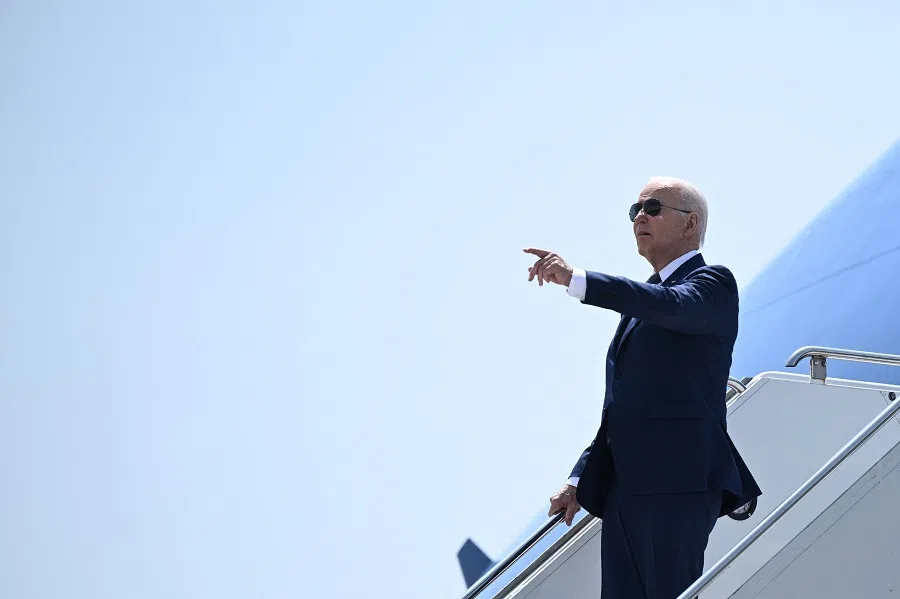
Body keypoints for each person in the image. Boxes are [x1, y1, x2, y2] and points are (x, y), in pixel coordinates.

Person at [524, 177, 761, 599]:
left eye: (652, 208)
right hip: (624, 489)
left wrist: (578, 279)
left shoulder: (712, 284)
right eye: (634, 211)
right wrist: (580, 477)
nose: (639, 218)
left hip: (678, 481)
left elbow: (672, 307)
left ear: (690, 225)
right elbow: (623, 406)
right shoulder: (646, 299)